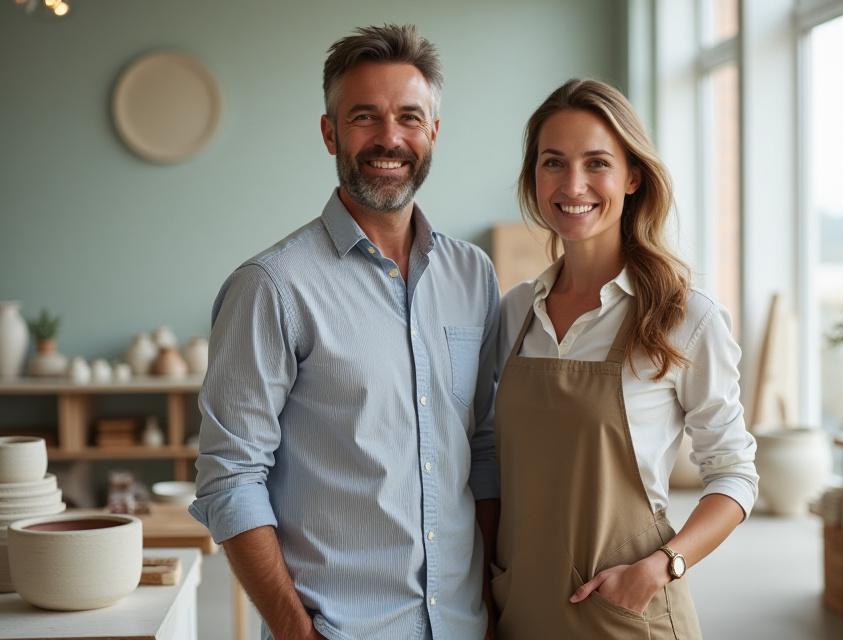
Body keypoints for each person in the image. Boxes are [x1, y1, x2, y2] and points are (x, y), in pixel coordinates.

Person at [189, 24, 500, 640]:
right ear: (330, 131)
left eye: (410, 117)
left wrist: (492, 600)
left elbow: (484, 451)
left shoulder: (474, 275)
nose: (390, 138)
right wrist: (291, 627)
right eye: (365, 117)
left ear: (433, 131)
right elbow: (230, 475)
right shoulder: (272, 286)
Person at [491, 79, 759, 639]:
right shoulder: (514, 313)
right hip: (522, 609)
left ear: (632, 177)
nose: (573, 184)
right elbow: (489, 460)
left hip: (626, 615)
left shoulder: (686, 317)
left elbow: (734, 474)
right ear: (533, 178)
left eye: (597, 163)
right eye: (553, 163)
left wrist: (664, 565)